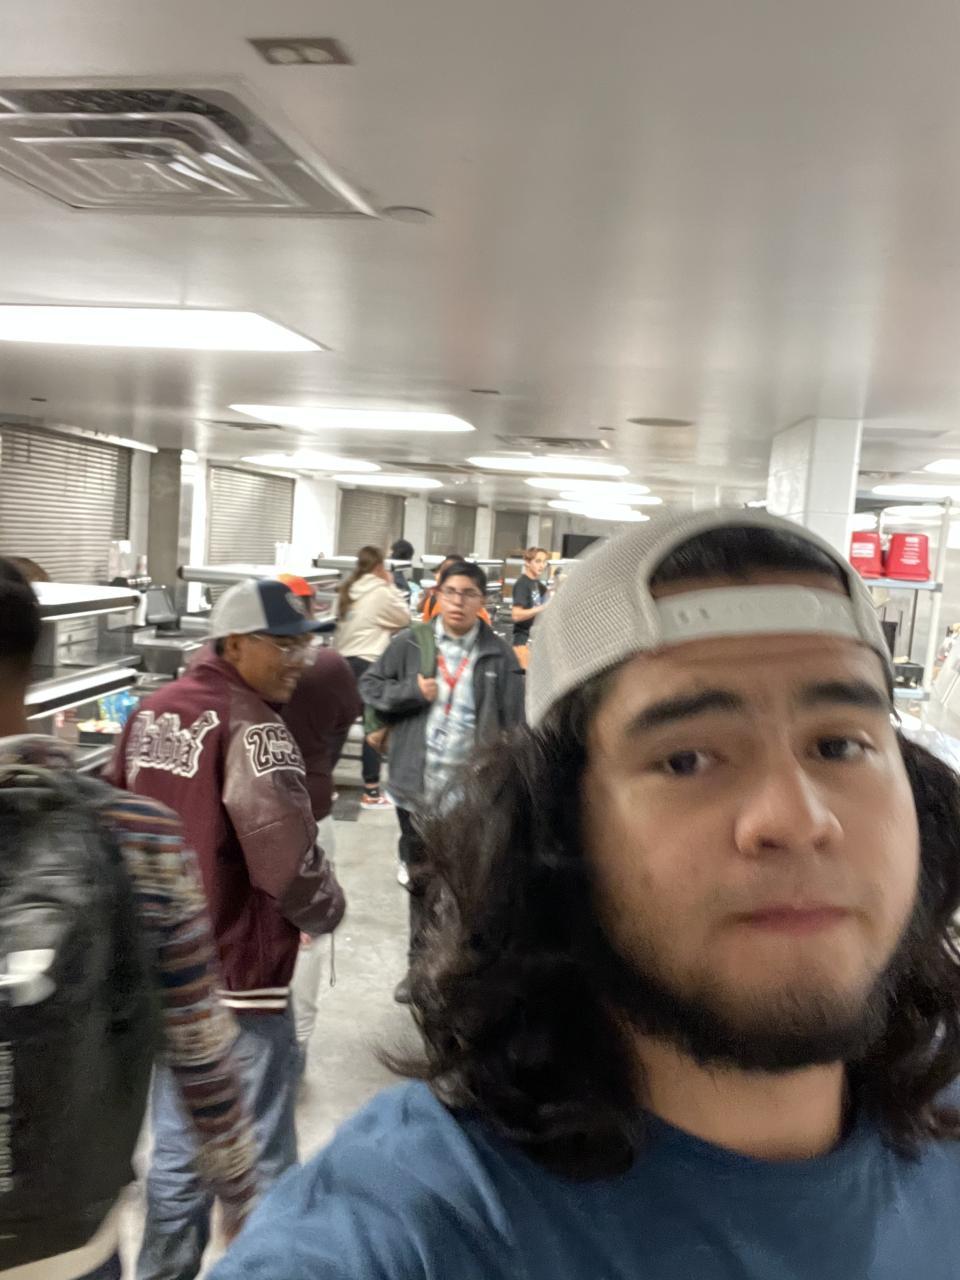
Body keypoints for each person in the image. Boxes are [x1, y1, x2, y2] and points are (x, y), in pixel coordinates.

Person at [214, 508, 960, 1279]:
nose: (799, 819)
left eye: (840, 745)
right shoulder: (425, 1220)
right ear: (557, 831)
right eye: (687, 759)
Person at [0, 559, 256, 1280]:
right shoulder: (136, 834)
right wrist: (240, 1189)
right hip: (70, 1244)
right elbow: (198, 1046)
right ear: (33, 664)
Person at [105, 577, 346, 1280]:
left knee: (178, 1145)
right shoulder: (253, 726)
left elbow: (114, 816)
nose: (299, 659)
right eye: (284, 645)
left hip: (162, 972)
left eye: (305, 645)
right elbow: (286, 862)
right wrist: (326, 908)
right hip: (237, 975)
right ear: (234, 644)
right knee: (260, 1151)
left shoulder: (151, 712)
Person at [359, 559, 524, 1003]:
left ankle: (456, 969)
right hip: (415, 790)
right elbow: (371, 687)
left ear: (482, 601)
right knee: (420, 881)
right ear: (437, 595)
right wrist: (411, 692)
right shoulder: (411, 643)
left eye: (468, 594)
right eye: (450, 592)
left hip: (471, 796)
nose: (458, 602)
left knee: (466, 886)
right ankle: (418, 968)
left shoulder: (499, 655)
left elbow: (516, 727)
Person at [276, 574, 362, 1062]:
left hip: (251, 816)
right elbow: (345, 719)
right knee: (305, 932)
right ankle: (299, 1042)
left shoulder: (250, 666)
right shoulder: (329, 665)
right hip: (313, 805)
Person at [334, 546, 411, 808]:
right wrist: (390, 586)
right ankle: (371, 791)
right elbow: (404, 617)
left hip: (342, 664)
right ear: (379, 567)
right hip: (369, 664)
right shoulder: (380, 591)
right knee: (373, 727)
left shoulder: (347, 590)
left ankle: (323, 782)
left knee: (339, 727)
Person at [419, 553, 492, 625]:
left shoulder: (477, 610)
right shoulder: (432, 601)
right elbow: (425, 627)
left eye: (469, 594)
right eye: (443, 572)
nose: (457, 601)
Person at [510, 545, 550, 666]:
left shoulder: (537, 584)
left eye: (544, 562)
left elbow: (550, 597)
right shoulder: (522, 584)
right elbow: (516, 615)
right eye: (538, 561)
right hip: (522, 643)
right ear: (527, 562)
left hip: (533, 641)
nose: (542, 565)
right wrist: (541, 608)